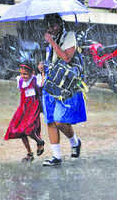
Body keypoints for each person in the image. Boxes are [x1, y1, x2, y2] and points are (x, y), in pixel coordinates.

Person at [41, 13, 86, 166]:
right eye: (48, 26)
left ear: (60, 24)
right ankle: (56, 156)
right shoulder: (49, 39)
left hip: (64, 85)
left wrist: (52, 42)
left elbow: (66, 57)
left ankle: (75, 142)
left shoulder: (70, 36)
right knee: (51, 121)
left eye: (53, 26)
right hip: (50, 83)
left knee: (60, 121)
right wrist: (43, 66)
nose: (51, 29)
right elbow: (52, 60)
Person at [4, 61, 45, 162]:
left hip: (33, 109)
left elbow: (42, 86)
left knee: (29, 129)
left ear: (32, 73)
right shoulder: (20, 81)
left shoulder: (36, 80)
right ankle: (29, 153)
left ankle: (40, 142)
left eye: (25, 74)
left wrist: (43, 72)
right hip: (23, 109)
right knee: (19, 130)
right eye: (22, 74)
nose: (23, 76)